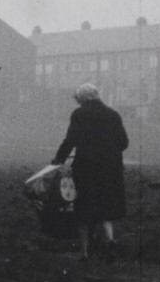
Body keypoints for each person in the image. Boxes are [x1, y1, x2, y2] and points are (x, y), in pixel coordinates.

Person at [52, 83, 129, 263]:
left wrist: (58, 159)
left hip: (86, 168)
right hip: (110, 169)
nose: (77, 103)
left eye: (78, 99)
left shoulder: (79, 114)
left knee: (83, 211)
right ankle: (110, 241)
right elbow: (124, 142)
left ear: (83, 99)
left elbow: (70, 140)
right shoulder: (113, 114)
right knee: (105, 209)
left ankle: (84, 253)